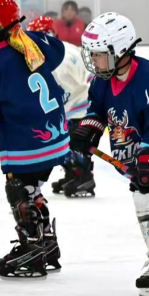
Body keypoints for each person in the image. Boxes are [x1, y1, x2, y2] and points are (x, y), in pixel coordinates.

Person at [71, 13, 149, 296]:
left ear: (120, 51)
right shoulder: (102, 81)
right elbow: (97, 109)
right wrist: (88, 129)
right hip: (139, 167)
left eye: (99, 54)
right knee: (145, 199)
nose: (94, 60)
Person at [0, 0, 69, 279]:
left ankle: (32, 247)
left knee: (18, 189)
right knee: (33, 188)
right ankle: (47, 244)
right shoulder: (32, 42)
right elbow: (58, 50)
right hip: (57, 136)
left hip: (27, 142)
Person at [27, 15, 96, 198]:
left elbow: (91, 78)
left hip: (81, 110)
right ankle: (73, 173)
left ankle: (83, 177)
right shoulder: (45, 57)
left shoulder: (62, 56)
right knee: (58, 142)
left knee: (71, 142)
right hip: (73, 109)